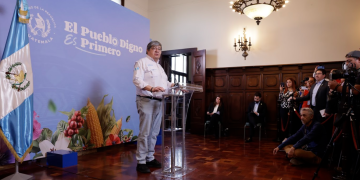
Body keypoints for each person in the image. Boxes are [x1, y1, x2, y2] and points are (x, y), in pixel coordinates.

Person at [133, 40, 174, 173]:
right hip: (146, 100)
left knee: (154, 133)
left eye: (159, 49)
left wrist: (176, 86)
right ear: (148, 50)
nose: (157, 51)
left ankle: (150, 157)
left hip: (159, 102)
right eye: (154, 48)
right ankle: (141, 161)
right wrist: (151, 88)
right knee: (145, 133)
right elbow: (137, 80)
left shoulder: (160, 67)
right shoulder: (141, 62)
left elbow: (165, 84)